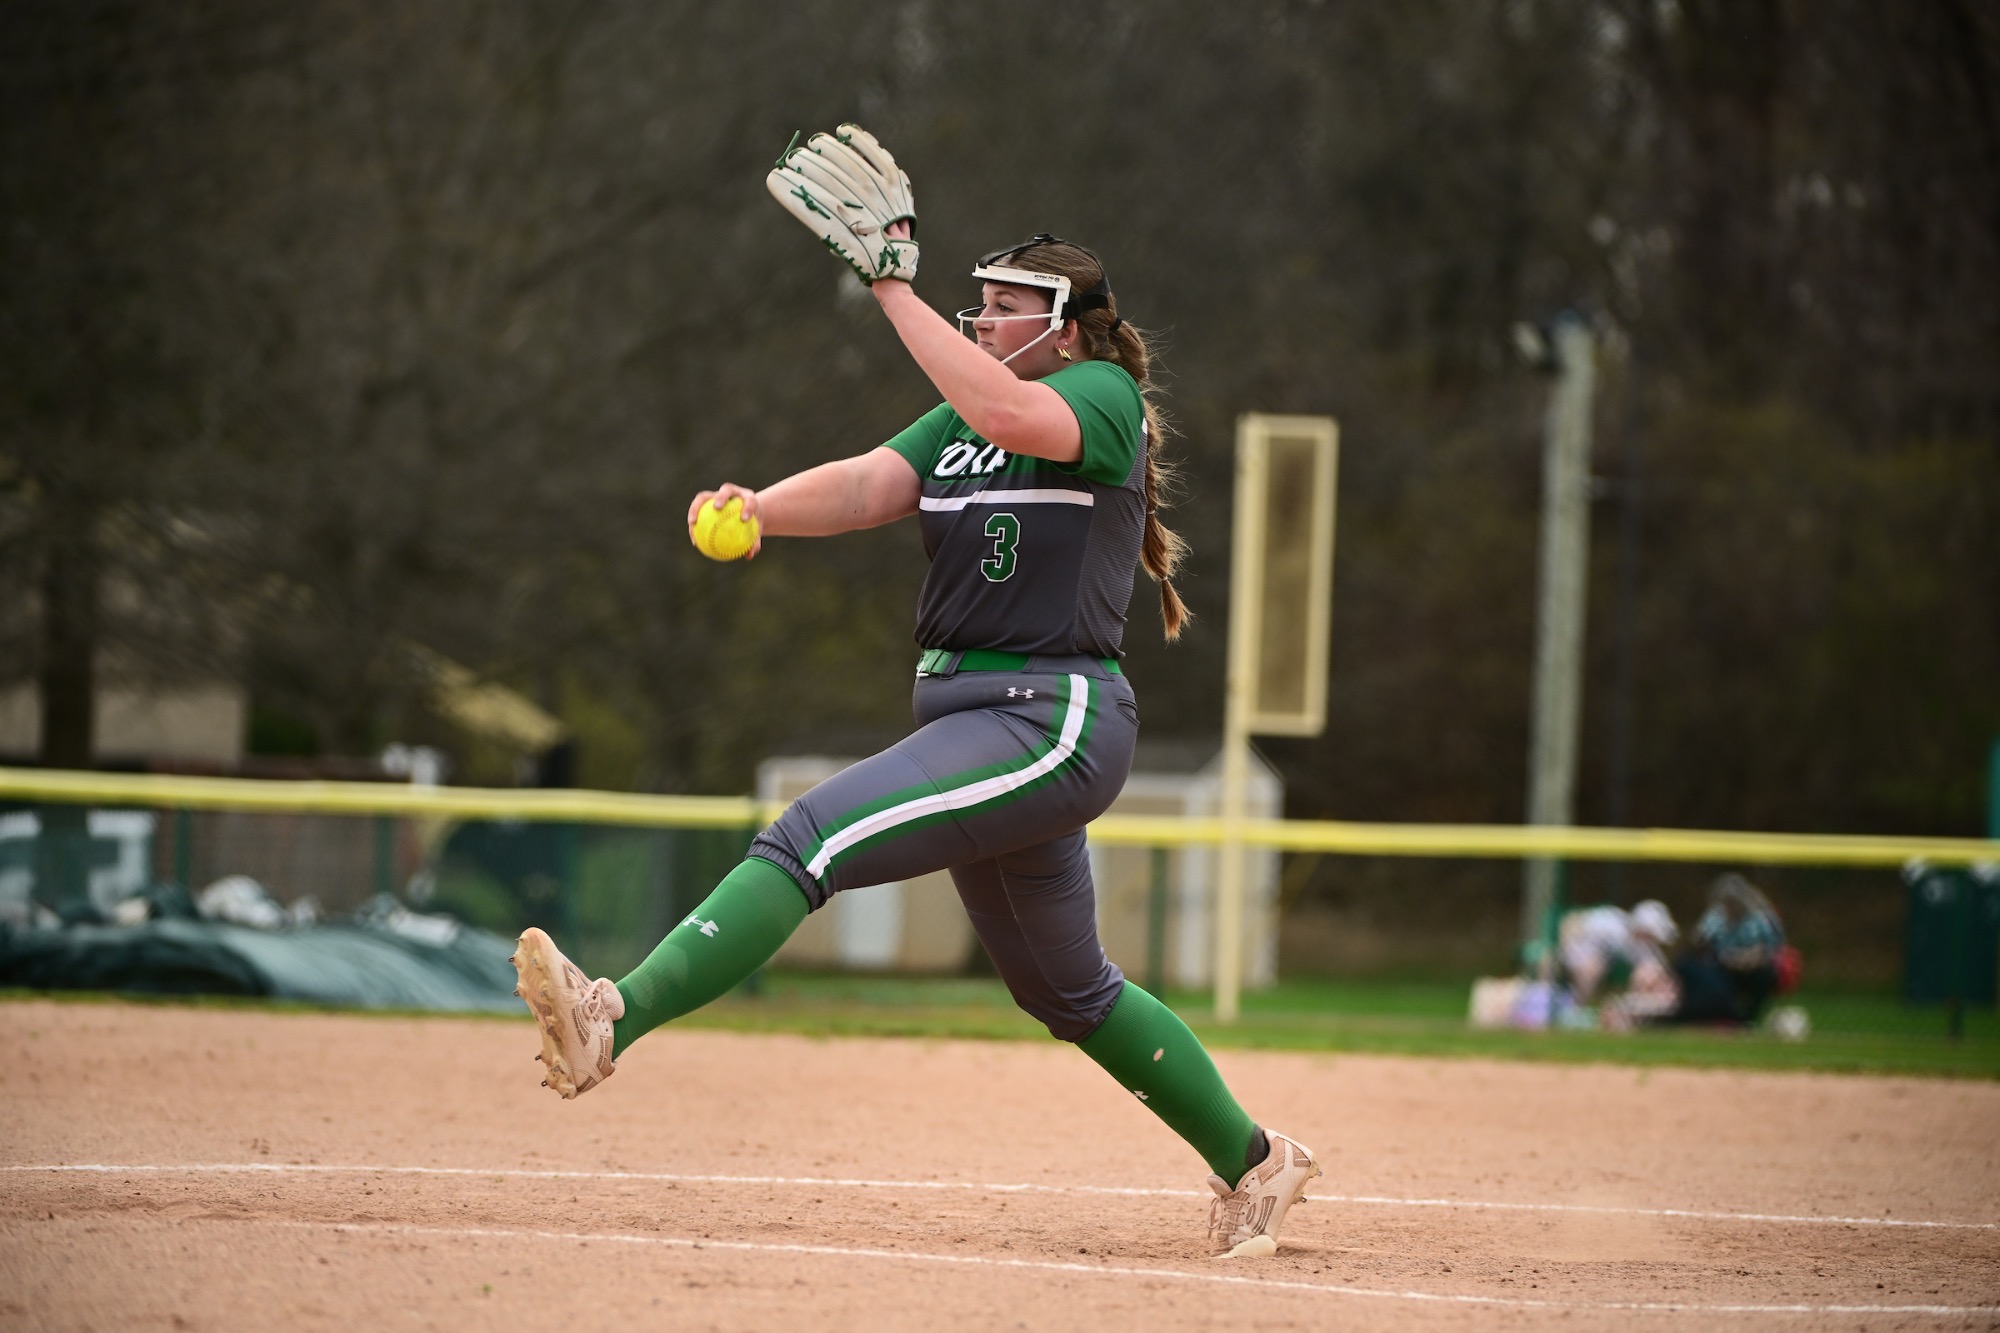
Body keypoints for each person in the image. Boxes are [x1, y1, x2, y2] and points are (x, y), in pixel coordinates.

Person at [510, 124, 1319, 1260]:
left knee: (808, 838)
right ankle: (1260, 1163)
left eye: (998, 306)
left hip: (1049, 718)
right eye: (972, 303)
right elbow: (867, 483)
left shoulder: (1098, 398)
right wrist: (762, 510)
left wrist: (890, 289)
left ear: (1065, 323)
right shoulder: (968, 414)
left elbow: (1000, 412)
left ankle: (614, 1018)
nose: (979, 317)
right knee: (1066, 991)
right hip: (974, 720)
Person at [1671, 873, 1788, 1024]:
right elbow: (1698, 942)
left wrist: (1748, 959)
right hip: (1721, 966)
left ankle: (1746, 1019)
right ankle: (1711, 1013)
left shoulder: (1761, 919)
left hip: (1754, 968)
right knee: (1686, 964)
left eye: (1732, 904)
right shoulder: (1716, 916)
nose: (1729, 908)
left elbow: (1772, 950)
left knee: (1765, 975)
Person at [1555, 898, 1680, 1027]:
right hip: (1578, 954)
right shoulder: (1609, 921)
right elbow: (1572, 922)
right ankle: (1575, 1011)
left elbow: (1658, 974)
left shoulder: (1645, 946)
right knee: (1592, 967)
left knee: (1648, 975)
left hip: (1607, 966)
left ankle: (1627, 1013)